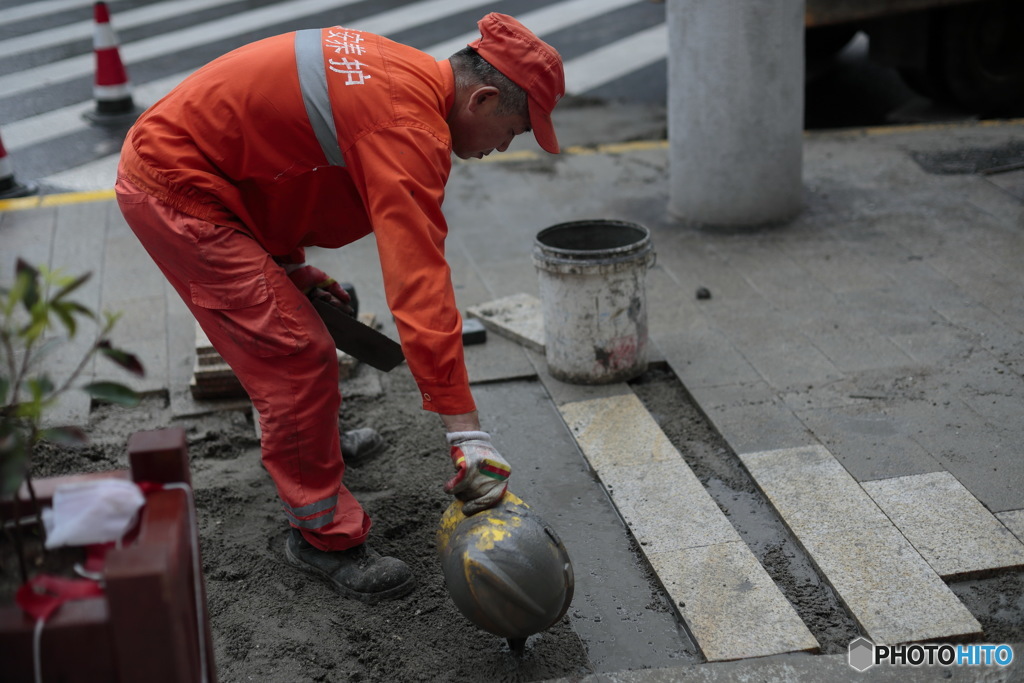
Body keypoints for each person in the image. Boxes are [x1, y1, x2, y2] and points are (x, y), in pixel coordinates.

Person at [115, 13, 565, 604]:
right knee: (295, 352)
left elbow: (291, 159)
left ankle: (312, 439)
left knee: (306, 317)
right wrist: (466, 432)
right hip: (180, 191)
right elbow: (419, 282)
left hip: (212, 173)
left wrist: (292, 269)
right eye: (513, 131)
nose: (503, 147)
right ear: (481, 98)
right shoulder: (409, 128)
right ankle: (321, 536)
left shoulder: (404, 72)